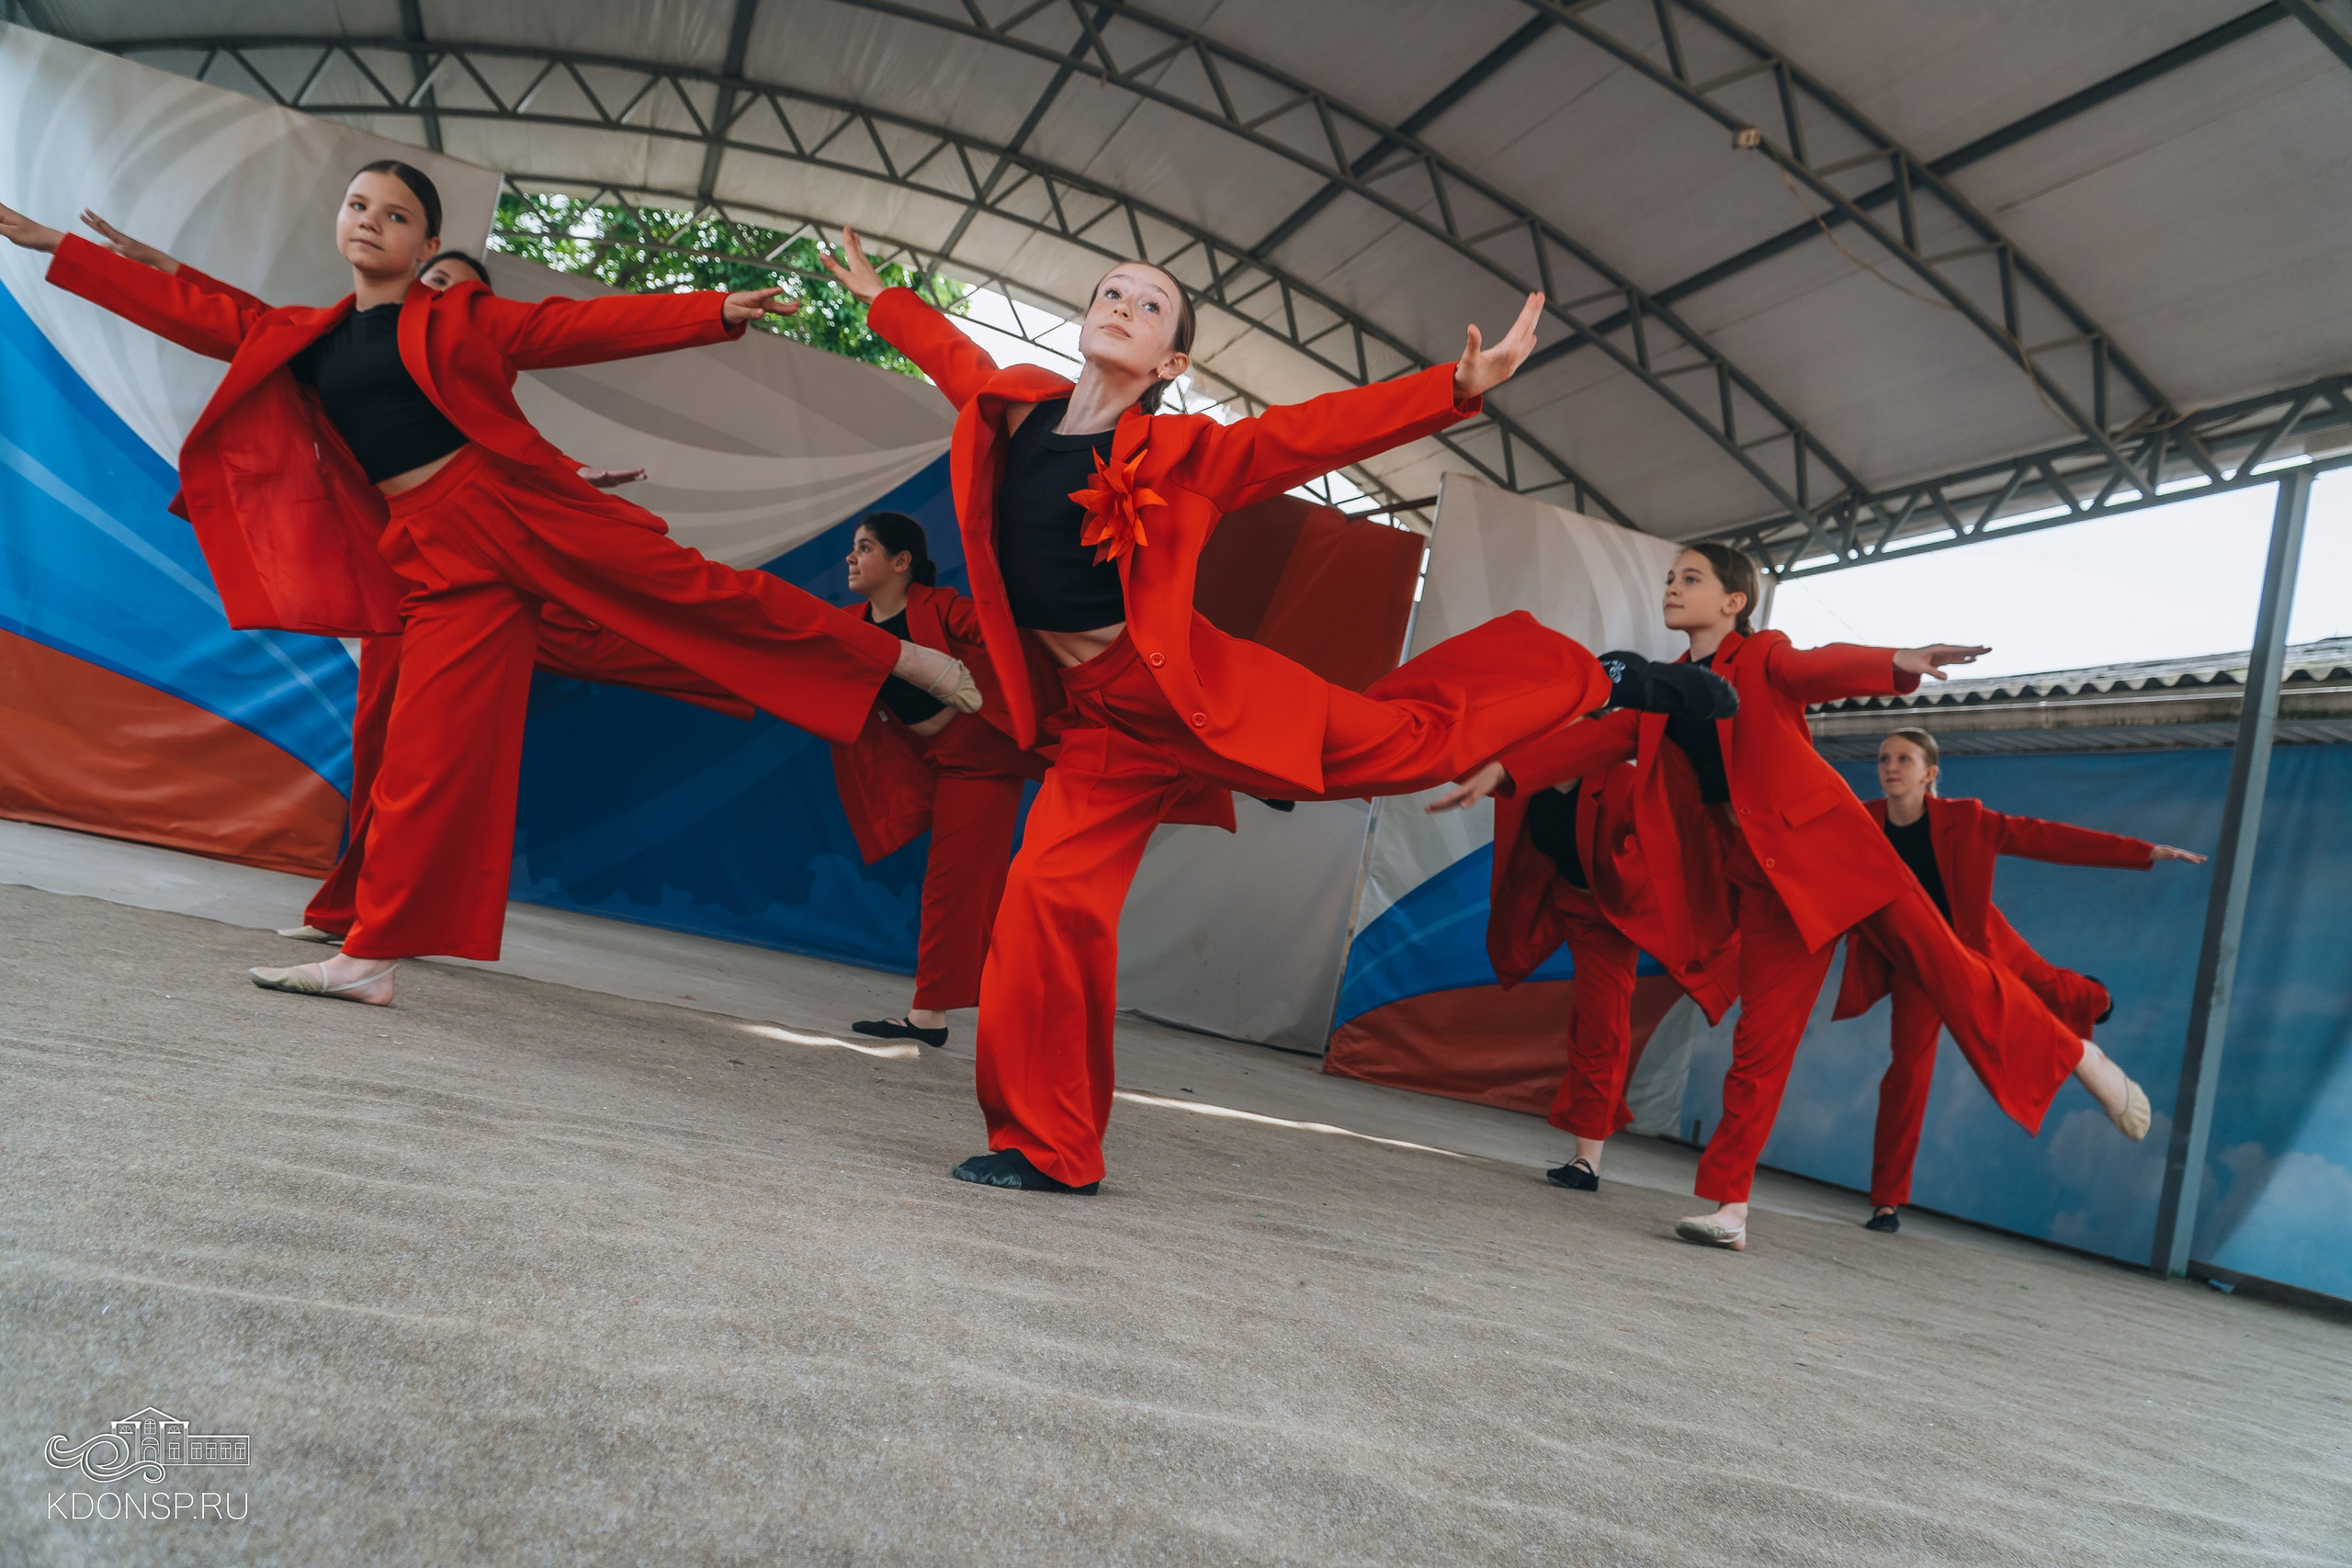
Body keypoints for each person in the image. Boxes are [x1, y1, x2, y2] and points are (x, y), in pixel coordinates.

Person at [824, 225, 1679, 1195]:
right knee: (1040, 909)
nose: (1123, 306)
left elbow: (1311, 431)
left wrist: (1457, 386)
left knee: (1410, 744)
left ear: (1169, 361)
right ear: (1082, 319)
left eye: (1149, 306)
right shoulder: (1010, 410)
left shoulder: (1186, 451)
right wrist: (879, 298)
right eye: (1112, 292)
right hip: (1101, 728)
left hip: (1198, 696)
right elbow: (954, 356)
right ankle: (1048, 1148)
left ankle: (1589, 674)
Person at [0, 165, 983, 1006]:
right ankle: (371, 956)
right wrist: (59, 247)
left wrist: (711, 312)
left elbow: (571, 326)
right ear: (338, 224)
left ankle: (904, 659)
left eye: (394, 215)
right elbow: (205, 313)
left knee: (703, 596)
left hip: (511, 509)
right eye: (358, 206)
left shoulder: (458, 317)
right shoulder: (309, 334)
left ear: (427, 241)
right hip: (433, 551)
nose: (370, 223)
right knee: (422, 748)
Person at [1431, 545, 2154, 1250]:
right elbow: (1596, 740)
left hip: (1837, 855)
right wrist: (1503, 771)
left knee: (1948, 971)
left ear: (1733, 601)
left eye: (1691, 578)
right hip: (1766, 885)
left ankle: (2077, 1055)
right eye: (1670, 578)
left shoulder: (1763, 655)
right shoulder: (1662, 692)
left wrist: (1898, 662)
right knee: (1759, 1043)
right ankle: (1730, 1206)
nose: (1673, 588)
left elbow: (1819, 667)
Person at [69, 214, 724, 944]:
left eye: (456, 290)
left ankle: (793, 683)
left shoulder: (462, 366)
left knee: (628, 639)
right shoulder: (355, 347)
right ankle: (360, 916)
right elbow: (245, 322)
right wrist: (156, 264)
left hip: (489, 565)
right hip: (408, 581)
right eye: (434, 282)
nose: (439, 295)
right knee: (391, 751)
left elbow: (516, 430)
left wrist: (573, 472)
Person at [1838, 728, 2205, 1233]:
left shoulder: (1966, 821)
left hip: (1983, 942)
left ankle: (2095, 1000)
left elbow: (2046, 837)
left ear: (1930, 774)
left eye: (1904, 758)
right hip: (1917, 968)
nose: (1890, 767)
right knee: (1908, 1070)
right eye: (1883, 758)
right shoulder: (1861, 822)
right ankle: (1886, 1201)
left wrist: (2142, 851)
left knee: (2052, 989)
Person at [1477, 653, 1740, 1193]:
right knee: (1588, 1023)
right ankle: (1589, 1143)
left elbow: (1678, 837)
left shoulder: (1621, 777)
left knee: (1600, 1026)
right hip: (1564, 900)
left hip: (1614, 911)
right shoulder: (1523, 772)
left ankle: (1587, 1160)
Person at [832, 511, 1046, 1048]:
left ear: (902, 562)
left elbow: (998, 632)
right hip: (931, 761)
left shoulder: (940, 607)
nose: (852, 558)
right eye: (853, 548)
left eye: (865, 548)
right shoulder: (851, 622)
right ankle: (931, 1019)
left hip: (984, 757)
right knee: (954, 887)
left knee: (957, 886)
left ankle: (936, 1017)